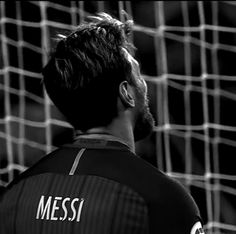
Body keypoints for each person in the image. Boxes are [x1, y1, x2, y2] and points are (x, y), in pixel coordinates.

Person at [0, 12, 205, 234]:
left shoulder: (15, 193)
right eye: (139, 76)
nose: (145, 87)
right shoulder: (162, 199)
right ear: (126, 93)